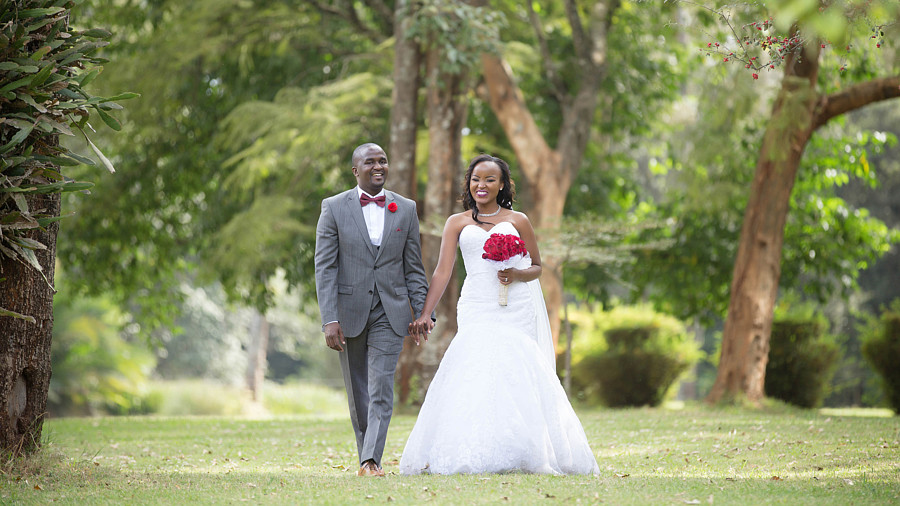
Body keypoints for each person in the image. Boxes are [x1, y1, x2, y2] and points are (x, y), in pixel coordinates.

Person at [400, 154, 599, 475]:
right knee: (475, 363)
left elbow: (536, 265)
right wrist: (426, 311)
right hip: (477, 302)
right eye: (476, 179)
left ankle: (525, 447)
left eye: (490, 179)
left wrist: (515, 274)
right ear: (469, 183)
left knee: (515, 365)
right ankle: (471, 446)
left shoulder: (518, 220)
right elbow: (442, 271)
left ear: (502, 184)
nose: (482, 185)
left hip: (514, 304)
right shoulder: (457, 222)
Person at [315, 142, 429, 477]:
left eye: (383, 161)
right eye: (370, 162)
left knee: (381, 385)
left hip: (391, 312)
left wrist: (423, 312)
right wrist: (329, 319)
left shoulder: (405, 208)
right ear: (356, 170)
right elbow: (325, 267)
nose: (378, 166)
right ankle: (366, 454)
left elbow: (414, 268)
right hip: (348, 312)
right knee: (357, 389)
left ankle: (370, 461)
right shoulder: (333, 207)